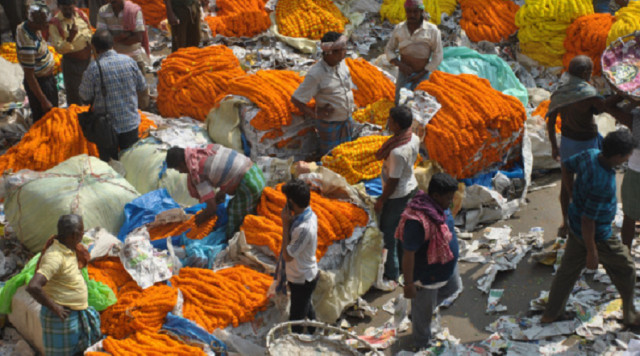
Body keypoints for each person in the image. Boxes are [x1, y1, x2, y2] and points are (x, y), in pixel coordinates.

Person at [541, 130, 640, 326]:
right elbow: (589, 221)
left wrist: (571, 195)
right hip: (598, 235)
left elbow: (567, 167)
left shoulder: (591, 154)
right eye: (628, 154)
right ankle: (630, 316)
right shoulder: (602, 182)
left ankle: (551, 313)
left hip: (576, 225)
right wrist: (592, 252)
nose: (629, 157)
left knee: (567, 272)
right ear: (618, 156)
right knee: (626, 268)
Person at [547, 55, 619, 237]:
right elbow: (603, 107)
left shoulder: (561, 90)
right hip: (587, 144)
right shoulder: (587, 95)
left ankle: (566, 222)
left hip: (568, 143)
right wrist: (620, 95)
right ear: (585, 73)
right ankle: (587, 223)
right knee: (590, 184)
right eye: (590, 71)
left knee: (566, 185)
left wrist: (554, 147)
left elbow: (551, 121)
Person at [396, 173, 460, 349]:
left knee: (453, 288)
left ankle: (418, 311)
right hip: (427, 276)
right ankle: (421, 344)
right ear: (436, 196)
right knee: (423, 317)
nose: (451, 201)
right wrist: (408, 284)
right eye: (448, 198)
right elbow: (408, 254)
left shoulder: (440, 207)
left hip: (447, 268)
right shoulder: (417, 222)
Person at [26, 215, 102, 356]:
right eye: (81, 232)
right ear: (73, 235)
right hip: (61, 318)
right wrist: (55, 307)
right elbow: (33, 286)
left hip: (73, 315)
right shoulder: (55, 257)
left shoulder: (69, 247)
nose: (83, 235)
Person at [165, 144, 266, 239]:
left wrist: (200, 218)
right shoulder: (204, 149)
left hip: (249, 184)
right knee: (244, 209)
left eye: (178, 169)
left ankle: (234, 242)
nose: (181, 172)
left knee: (235, 218)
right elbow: (226, 169)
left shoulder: (197, 172)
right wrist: (222, 193)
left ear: (182, 164)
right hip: (257, 173)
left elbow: (212, 209)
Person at [79, 30, 148, 162]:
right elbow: (142, 86)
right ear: (112, 45)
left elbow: (84, 96)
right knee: (130, 161)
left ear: (95, 48)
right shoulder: (129, 61)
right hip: (130, 123)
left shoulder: (93, 69)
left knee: (110, 165)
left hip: (106, 128)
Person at [374, 106, 420, 281]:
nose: (388, 123)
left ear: (398, 124)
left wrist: (381, 200)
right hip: (411, 188)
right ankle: (403, 264)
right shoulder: (413, 138)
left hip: (398, 196)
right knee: (403, 230)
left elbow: (393, 181)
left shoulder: (396, 152)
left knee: (388, 233)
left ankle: (391, 272)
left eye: (391, 121)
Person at [291, 31, 356, 157]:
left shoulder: (342, 64)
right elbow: (296, 99)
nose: (345, 51)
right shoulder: (316, 74)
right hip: (330, 125)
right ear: (331, 52)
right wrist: (315, 114)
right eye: (343, 49)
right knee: (330, 157)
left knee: (346, 155)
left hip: (347, 121)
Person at [385, 0, 443, 105]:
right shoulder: (399, 28)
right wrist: (400, 65)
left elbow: (438, 55)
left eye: (415, 12)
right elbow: (389, 49)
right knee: (400, 103)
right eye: (409, 11)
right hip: (404, 73)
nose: (412, 15)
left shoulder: (432, 30)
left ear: (422, 12)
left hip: (422, 73)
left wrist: (422, 73)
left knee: (419, 104)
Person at [280, 179, 319, 333]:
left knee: (295, 320)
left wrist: (285, 224)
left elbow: (288, 256)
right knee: (306, 307)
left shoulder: (303, 228)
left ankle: (298, 342)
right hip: (302, 275)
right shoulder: (308, 214)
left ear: (290, 202)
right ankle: (314, 332)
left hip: (302, 279)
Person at [606, 96, 640, 250]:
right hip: (635, 171)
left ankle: (625, 252)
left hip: (636, 172)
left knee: (630, 216)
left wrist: (629, 96)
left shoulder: (635, 118)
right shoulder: (635, 117)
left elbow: (609, 106)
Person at [16, 2, 59, 122]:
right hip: (41, 84)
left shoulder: (24, 27)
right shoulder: (28, 44)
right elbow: (30, 76)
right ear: (35, 23)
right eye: (45, 23)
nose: (47, 25)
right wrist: (44, 100)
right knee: (47, 119)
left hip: (46, 80)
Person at [48, 0, 93, 105]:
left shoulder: (81, 15)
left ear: (74, 4)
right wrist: (70, 37)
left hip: (88, 61)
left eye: (70, 8)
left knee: (91, 92)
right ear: (59, 6)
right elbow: (59, 48)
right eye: (64, 9)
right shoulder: (55, 23)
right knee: (75, 97)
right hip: (72, 65)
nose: (68, 11)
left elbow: (90, 33)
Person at [96, 0, 150, 72]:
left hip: (134, 60)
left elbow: (138, 38)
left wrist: (113, 40)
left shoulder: (134, 11)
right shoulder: (103, 11)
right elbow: (102, 39)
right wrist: (123, 36)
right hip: (113, 62)